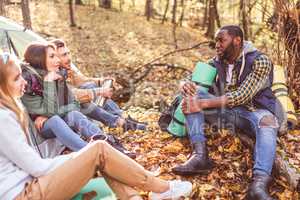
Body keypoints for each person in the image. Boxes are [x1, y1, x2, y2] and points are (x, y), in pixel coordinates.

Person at [0, 52, 192, 200]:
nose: (24, 80)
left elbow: (72, 98)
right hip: (25, 194)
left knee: (101, 157)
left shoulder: (9, 112)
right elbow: (38, 167)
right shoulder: (3, 118)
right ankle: (163, 188)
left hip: (29, 187)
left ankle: (144, 194)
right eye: (17, 78)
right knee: (98, 150)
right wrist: (81, 155)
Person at [172, 25, 284, 200]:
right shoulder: (218, 60)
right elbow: (192, 79)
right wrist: (184, 85)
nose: (217, 44)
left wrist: (202, 104)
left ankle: (258, 185)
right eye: (216, 41)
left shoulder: (260, 60)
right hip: (227, 113)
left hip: (256, 112)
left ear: (237, 41)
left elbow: (241, 95)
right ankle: (200, 156)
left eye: (221, 40)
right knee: (193, 94)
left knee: (268, 122)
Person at [21, 43, 134, 158]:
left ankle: (111, 146)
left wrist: (52, 113)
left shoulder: (56, 74)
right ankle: (94, 154)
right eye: (52, 56)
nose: (58, 60)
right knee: (54, 119)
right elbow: (51, 112)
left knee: (73, 114)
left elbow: (74, 104)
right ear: (39, 59)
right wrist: (49, 84)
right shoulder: (28, 84)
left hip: (58, 116)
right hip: (42, 129)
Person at [50, 38, 147, 132]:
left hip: (73, 107)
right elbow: (71, 95)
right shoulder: (54, 75)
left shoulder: (66, 70)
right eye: (64, 55)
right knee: (83, 101)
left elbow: (83, 81)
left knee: (89, 86)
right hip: (64, 113)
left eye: (68, 53)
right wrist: (98, 91)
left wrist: (101, 81)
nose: (69, 58)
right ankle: (120, 122)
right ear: (55, 58)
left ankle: (123, 118)